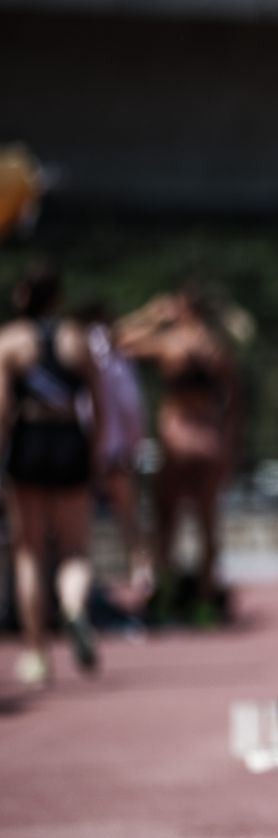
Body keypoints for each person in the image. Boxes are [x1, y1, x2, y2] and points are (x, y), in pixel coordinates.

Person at [0, 261, 103, 686]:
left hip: (29, 441)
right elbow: (99, 404)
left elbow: (2, 411)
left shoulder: (10, 341)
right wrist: (95, 453)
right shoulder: (77, 338)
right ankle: (74, 608)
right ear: (58, 297)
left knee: (29, 552)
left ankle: (36, 653)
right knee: (75, 550)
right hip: (68, 441)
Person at [115, 283, 241, 625]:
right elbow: (234, 401)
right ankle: (204, 603)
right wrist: (230, 445)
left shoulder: (172, 343)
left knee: (166, 523)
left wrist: (152, 315)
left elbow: (115, 340)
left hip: (178, 439)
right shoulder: (217, 346)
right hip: (210, 439)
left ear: (182, 308)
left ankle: (166, 600)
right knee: (208, 526)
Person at [78, 301, 148, 607]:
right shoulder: (118, 359)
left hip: (81, 447)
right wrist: (134, 444)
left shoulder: (74, 350)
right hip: (115, 449)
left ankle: (78, 586)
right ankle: (143, 576)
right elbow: (131, 405)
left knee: (76, 524)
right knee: (128, 517)